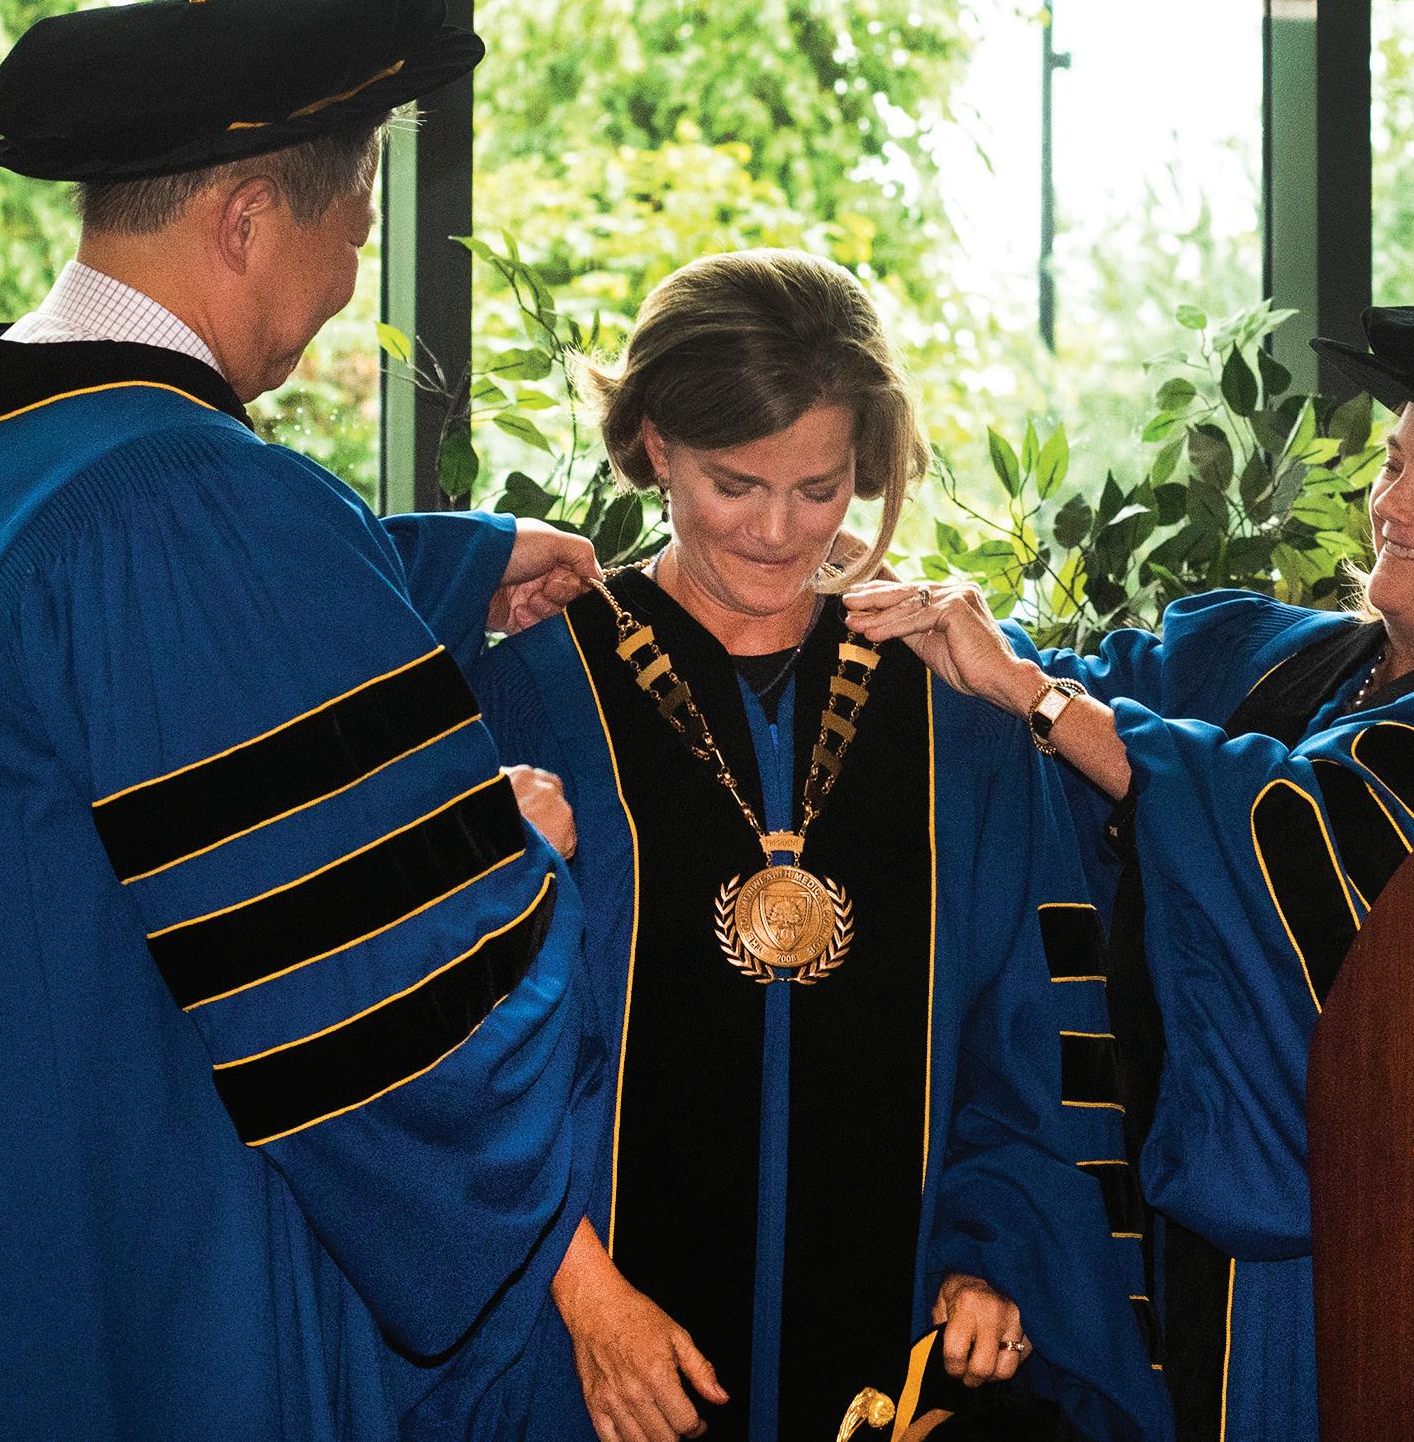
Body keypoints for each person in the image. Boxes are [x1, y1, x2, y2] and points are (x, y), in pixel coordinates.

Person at [0, 0, 601, 1442]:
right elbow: (384, 1019)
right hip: (143, 1275)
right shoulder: (191, 505)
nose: (342, 292)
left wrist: (448, 565)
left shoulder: (29, 441)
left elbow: (113, 670)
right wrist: (517, 849)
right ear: (249, 217)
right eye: (357, 238)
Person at [844, 303, 1414, 1442]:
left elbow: (1296, 825)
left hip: (1359, 1251)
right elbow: (1063, 681)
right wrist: (861, 591)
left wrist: (1046, 703)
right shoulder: (1291, 660)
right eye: (1393, 463)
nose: (1389, 504)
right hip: (1161, 1216)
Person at [465, 248, 1172, 1442]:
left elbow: (1027, 1034)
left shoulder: (950, 713)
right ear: (654, 445)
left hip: (891, 1379)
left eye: (821, 487)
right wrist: (579, 1296)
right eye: (736, 484)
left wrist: (991, 1254)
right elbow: (460, 1056)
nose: (778, 531)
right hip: (595, 1354)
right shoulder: (537, 694)